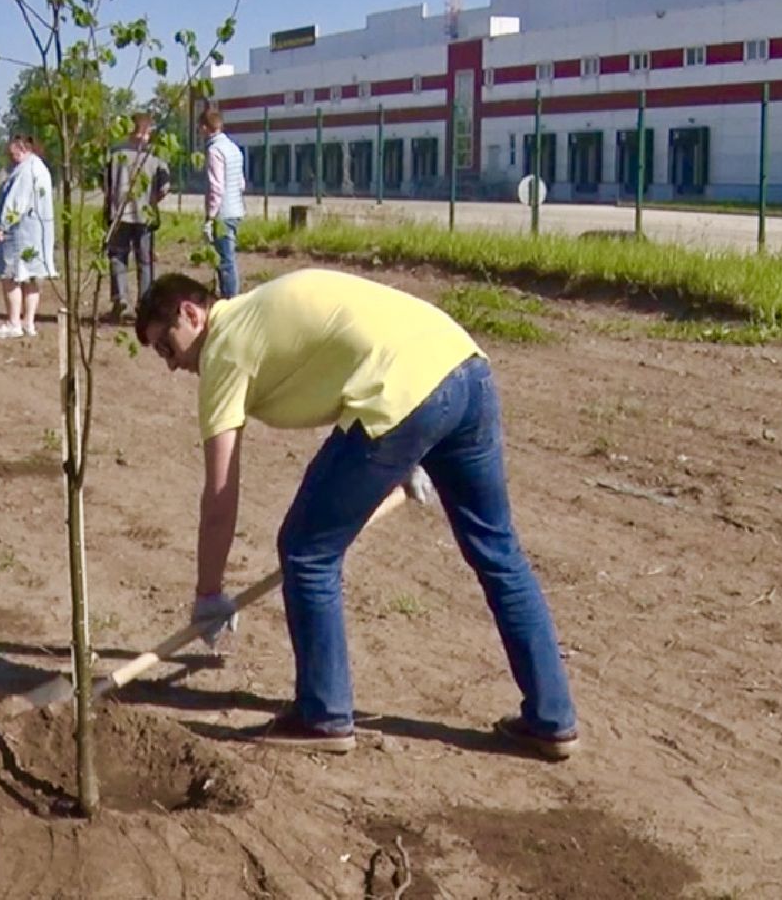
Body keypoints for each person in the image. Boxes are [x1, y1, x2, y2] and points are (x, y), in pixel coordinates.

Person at [134, 269, 579, 758]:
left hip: (404, 395)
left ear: (190, 314)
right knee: (499, 551)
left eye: (166, 348)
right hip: (465, 369)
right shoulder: (258, 312)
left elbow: (220, 493)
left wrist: (209, 592)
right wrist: (409, 451)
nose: (172, 366)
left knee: (306, 549)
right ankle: (551, 718)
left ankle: (322, 715)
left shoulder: (223, 347)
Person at [104, 113, 171, 319]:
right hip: (145, 216)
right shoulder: (155, 156)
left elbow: (104, 184)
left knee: (117, 257)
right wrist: (151, 202)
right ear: (146, 130)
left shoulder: (115, 152)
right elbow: (165, 186)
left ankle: (120, 300)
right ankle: (145, 304)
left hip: (118, 214)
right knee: (145, 262)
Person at [0, 135, 56, 339]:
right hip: (39, 232)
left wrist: (3, 225)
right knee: (32, 277)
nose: (11, 156)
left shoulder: (26, 169)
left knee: (13, 276)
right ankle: (29, 322)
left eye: (13, 151)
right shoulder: (41, 168)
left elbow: (17, 201)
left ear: (23, 147)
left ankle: (14, 322)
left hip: (20, 231)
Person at [201, 108, 247, 298]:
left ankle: (230, 300)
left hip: (223, 212)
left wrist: (210, 217)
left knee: (225, 260)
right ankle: (229, 297)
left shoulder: (214, 150)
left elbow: (216, 186)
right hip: (236, 209)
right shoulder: (233, 147)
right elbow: (241, 183)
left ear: (204, 128)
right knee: (228, 257)